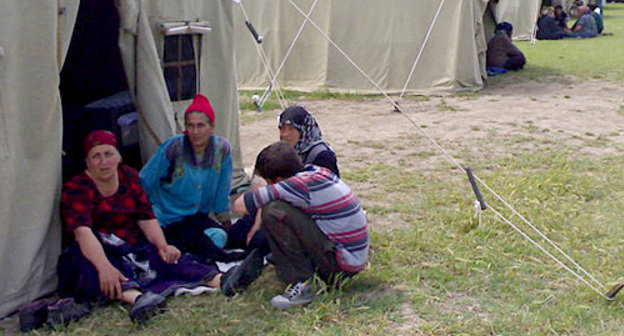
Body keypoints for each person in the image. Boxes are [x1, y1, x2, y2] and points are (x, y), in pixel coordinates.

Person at [57, 130, 264, 323]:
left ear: (118, 156)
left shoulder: (128, 177)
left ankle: (223, 280)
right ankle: (139, 300)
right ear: (87, 162)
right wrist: (104, 268)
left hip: (132, 244)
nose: (104, 162)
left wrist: (162, 245)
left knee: (169, 257)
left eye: (108, 154)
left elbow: (145, 217)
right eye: (96, 156)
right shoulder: (77, 188)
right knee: (92, 266)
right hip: (99, 248)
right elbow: (83, 233)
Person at [233, 142, 369, 309]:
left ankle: (302, 283)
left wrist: (262, 187)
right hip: (351, 257)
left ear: (279, 180)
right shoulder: (314, 173)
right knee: (284, 208)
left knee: (273, 211)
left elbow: (239, 206)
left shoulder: (296, 186)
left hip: (341, 265)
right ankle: (296, 264)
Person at [140, 94, 241, 263]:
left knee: (218, 236)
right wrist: (146, 216)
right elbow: (145, 181)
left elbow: (221, 191)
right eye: (190, 126)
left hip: (195, 219)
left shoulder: (221, 150)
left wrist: (224, 220)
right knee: (169, 245)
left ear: (212, 127)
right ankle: (193, 256)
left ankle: (192, 256)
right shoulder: (173, 148)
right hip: (167, 218)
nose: (195, 132)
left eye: (200, 126)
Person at [227, 106, 340, 255]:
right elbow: (272, 188)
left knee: (258, 241)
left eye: (291, 129)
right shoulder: (288, 152)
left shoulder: (321, 156)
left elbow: (316, 201)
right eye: (282, 128)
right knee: (237, 233)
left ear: (303, 130)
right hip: (281, 206)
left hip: (307, 218)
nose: (284, 134)